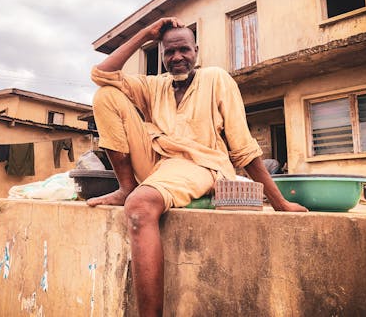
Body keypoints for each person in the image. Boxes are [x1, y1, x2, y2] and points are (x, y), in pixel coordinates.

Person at [87, 17, 308, 316]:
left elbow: (243, 148)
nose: (177, 58)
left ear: (196, 51)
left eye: (183, 50)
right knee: (105, 95)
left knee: (140, 208)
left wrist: (279, 202)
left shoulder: (216, 79)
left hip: (200, 164)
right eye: (168, 52)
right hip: (156, 161)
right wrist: (145, 34)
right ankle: (126, 186)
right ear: (162, 55)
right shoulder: (155, 86)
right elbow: (101, 73)